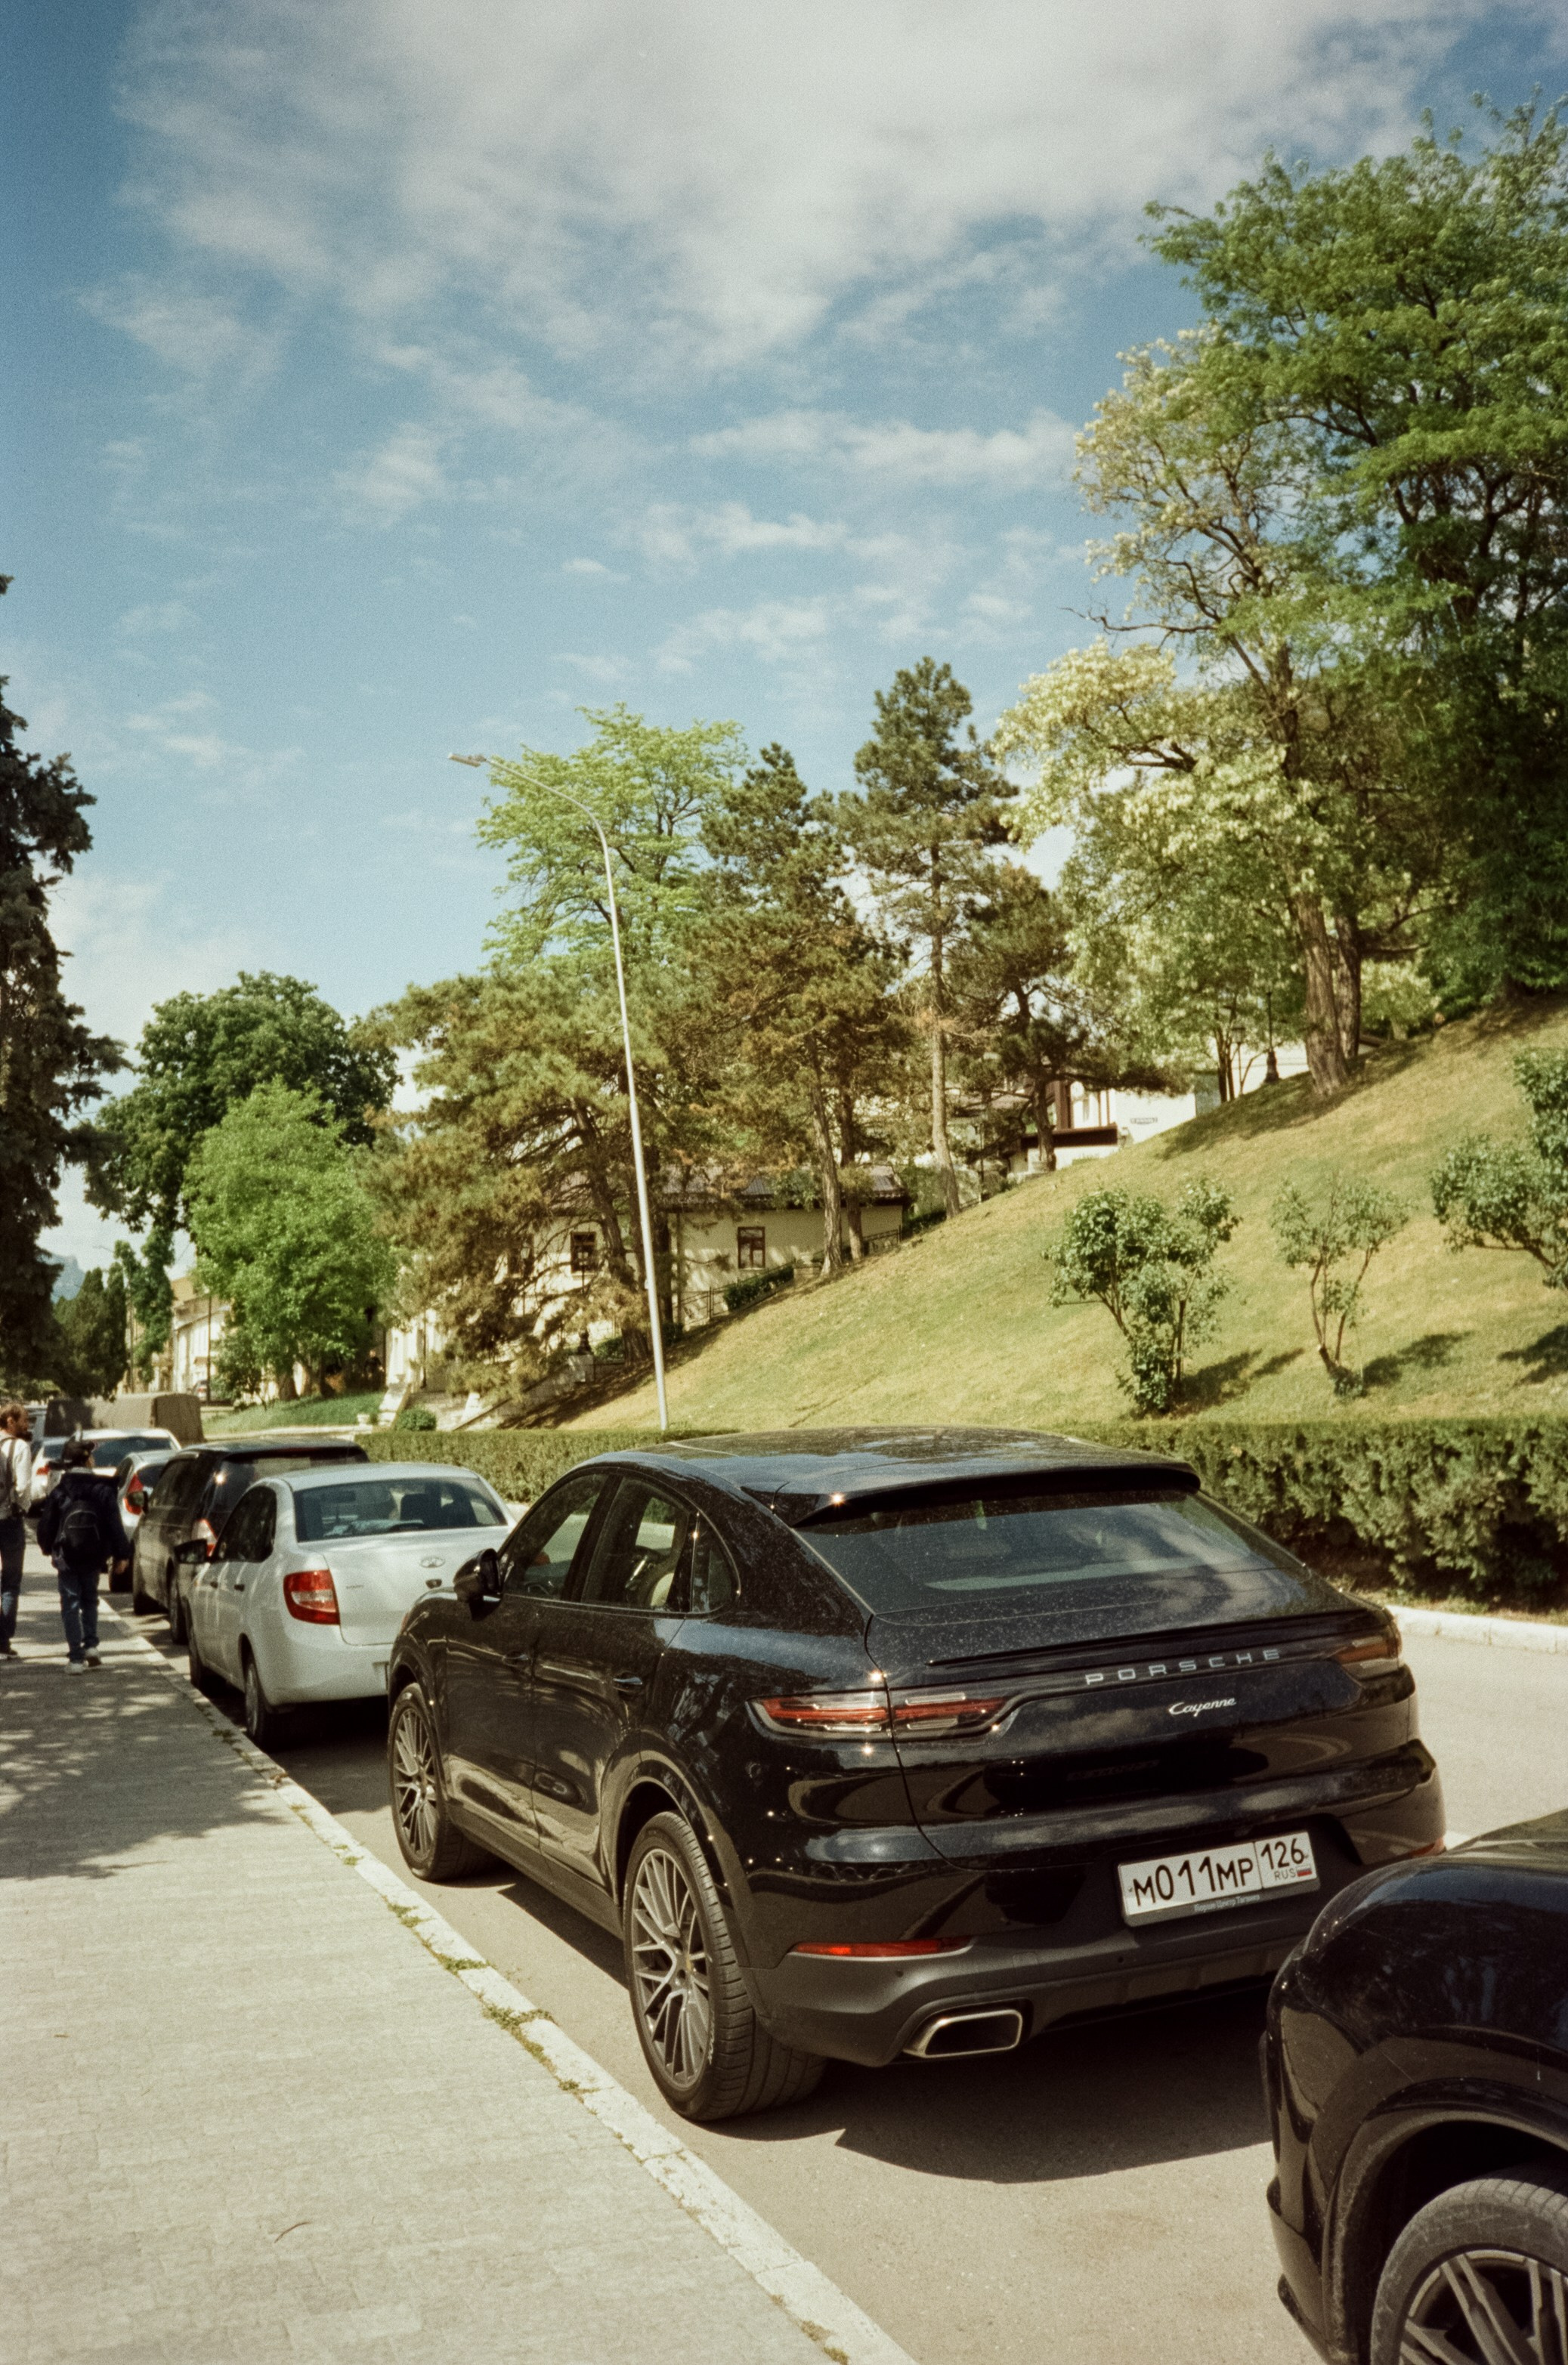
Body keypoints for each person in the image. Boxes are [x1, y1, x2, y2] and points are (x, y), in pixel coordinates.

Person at [36, 1436, 130, 1672]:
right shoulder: (103, 1489)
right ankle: (91, 1646)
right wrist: (122, 1555)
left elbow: (47, 1524)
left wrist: (48, 1548)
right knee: (90, 1599)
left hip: (66, 1556)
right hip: (93, 1554)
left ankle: (76, 1659)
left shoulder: (61, 1490)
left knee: (70, 1603)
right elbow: (114, 1524)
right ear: (87, 1460)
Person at [0, 1401, 32, 1660]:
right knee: (10, 1583)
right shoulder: (20, 1447)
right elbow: (23, 1489)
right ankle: (3, 1641)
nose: (27, 1425)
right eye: (24, 1420)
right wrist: (22, 1507)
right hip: (10, 1522)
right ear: (10, 1421)